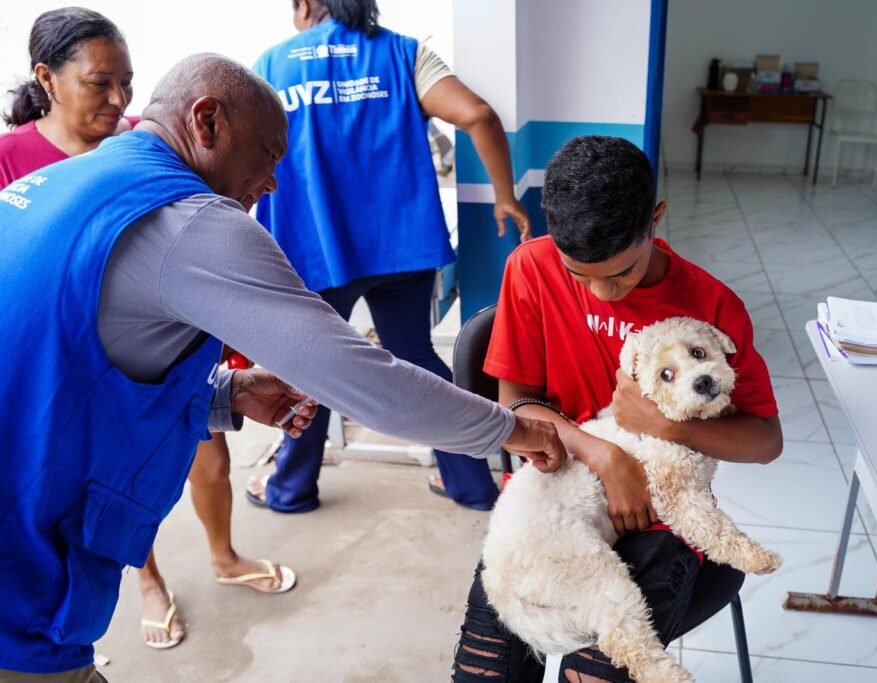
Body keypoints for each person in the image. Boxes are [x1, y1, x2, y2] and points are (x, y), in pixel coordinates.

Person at [0, 53, 565, 681]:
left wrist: (223, 392)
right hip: (17, 566)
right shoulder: (191, 220)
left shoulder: (68, 179)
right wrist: (524, 432)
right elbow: (366, 380)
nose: (272, 182)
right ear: (206, 121)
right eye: (269, 154)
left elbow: (70, 359)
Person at [0, 8, 296, 654]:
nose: (118, 100)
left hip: (168, 354)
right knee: (97, 495)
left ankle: (222, 553)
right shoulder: (14, 160)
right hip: (69, 379)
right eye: (100, 83)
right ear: (47, 78)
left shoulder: (145, 148)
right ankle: (149, 582)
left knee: (201, 455)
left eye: (128, 84)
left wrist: (224, 388)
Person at [451, 136, 783, 682]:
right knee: (486, 664)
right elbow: (515, 403)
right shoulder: (531, 269)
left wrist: (660, 425)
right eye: (580, 274)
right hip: (558, 500)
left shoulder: (712, 305)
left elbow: (766, 440)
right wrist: (605, 456)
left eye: (622, 273)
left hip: (662, 514)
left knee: (602, 667)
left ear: (656, 219)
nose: (603, 292)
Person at [246, 0, 531, 514]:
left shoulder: (270, 66)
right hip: (402, 245)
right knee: (416, 359)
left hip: (312, 252)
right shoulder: (403, 54)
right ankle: (470, 484)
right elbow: (478, 115)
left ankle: (291, 490)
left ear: (307, 4)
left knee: (311, 370)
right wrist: (505, 196)